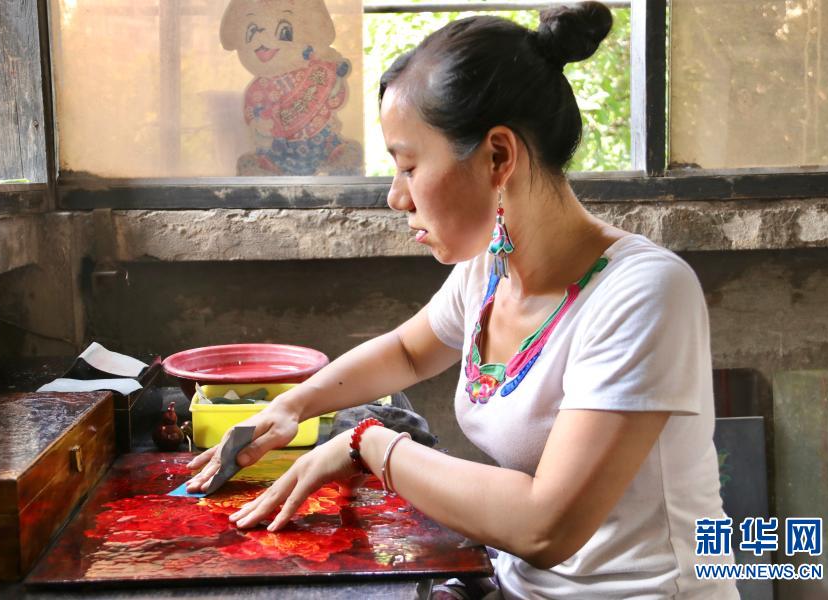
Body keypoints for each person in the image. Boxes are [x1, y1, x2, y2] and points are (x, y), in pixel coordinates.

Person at [187, 2, 739, 597]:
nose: (397, 197)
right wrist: (292, 406)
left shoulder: (643, 294)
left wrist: (368, 443)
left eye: (409, 166)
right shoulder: (491, 269)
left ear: (498, 156)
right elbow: (407, 351)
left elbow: (545, 525)